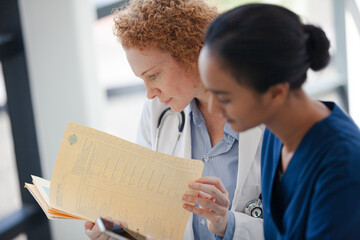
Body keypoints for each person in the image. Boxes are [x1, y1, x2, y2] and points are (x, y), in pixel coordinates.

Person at [85, 0, 264, 240]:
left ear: (191, 52)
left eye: (154, 75)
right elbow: (151, 217)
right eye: (142, 79)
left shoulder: (267, 115)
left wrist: (227, 224)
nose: (149, 93)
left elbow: (297, 225)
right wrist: (120, 233)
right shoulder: (158, 112)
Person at [197, 3, 360, 239]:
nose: (212, 107)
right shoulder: (276, 133)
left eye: (224, 97)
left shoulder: (343, 166)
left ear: (276, 93)